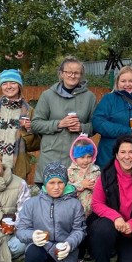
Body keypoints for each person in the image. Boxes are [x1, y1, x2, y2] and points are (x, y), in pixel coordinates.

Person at [16, 162, 86, 262]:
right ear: (45, 183)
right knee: (34, 251)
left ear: (65, 183)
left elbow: (79, 230)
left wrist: (69, 244)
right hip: (41, 248)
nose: (56, 187)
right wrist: (32, 235)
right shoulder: (32, 204)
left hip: (63, 252)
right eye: (51, 182)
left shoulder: (74, 204)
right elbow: (21, 230)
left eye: (60, 182)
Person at [31, 57, 96, 185]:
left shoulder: (89, 97)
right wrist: (59, 124)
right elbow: (36, 124)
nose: (72, 75)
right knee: (51, 198)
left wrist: (81, 127)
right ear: (61, 74)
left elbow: (96, 126)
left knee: (78, 200)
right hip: (52, 155)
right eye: (68, 72)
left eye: (76, 73)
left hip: (79, 158)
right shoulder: (47, 95)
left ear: (81, 75)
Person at [67, 133, 101, 262]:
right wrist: (82, 184)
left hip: (93, 209)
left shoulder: (96, 169)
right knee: (78, 237)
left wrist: (96, 187)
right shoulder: (70, 171)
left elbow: (100, 185)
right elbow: (67, 188)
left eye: (88, 157)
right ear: (75, 157)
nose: (86, 160)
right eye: (82, 157)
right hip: (77, 211)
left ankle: (93, 255)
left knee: (90, 235)